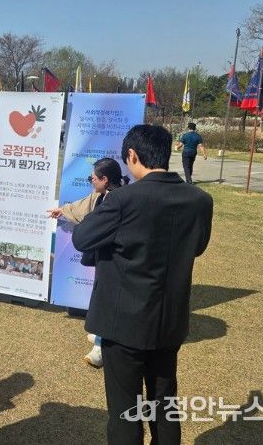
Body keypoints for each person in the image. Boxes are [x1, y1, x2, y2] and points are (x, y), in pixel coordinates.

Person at [72, 125, 213, 445]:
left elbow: (82, 238)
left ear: (132, 156)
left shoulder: (122, 200)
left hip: (123, 323)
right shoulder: (200, 200)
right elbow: (198, 246)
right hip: (169, 321)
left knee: (125, 410)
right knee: (164, 402)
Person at [47, 157, 129, 368]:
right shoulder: (102, 195)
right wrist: (62, 210)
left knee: (108, 302)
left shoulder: (117, 201)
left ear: (105, 179)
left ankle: (100, 348)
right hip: (105, 258)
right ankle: (101, 336)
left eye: (92, 178)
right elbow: (82, 206)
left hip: (116, 260)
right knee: (103, 299)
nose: (91, 181)